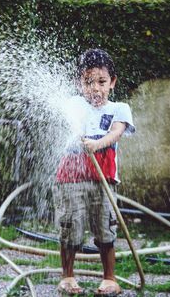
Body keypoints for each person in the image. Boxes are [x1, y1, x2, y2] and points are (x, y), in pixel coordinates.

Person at [55, 49, 135, 296]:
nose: (95, 89)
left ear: (112, 82)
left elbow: (116, 132)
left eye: (101, 82)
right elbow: (70, 120)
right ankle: (68, 277)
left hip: (104, 179)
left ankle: (109, 278)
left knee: (105, 228)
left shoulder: (120, 108)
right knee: (71, 227)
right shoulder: (75, 104)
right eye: (88, 82)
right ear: (81, 83)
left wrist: (97, 144)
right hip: (71, 180)